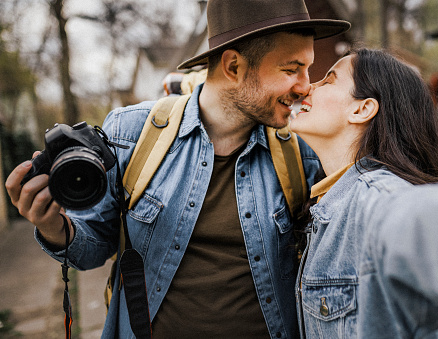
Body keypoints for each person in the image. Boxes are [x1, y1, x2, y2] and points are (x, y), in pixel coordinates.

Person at [5, 0, 351, 338]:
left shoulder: (302, 152)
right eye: (292, 69)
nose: (306, 85)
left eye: (307, 68)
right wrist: (51, 224)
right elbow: (92, 248)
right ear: (233, 67)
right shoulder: (131, 134)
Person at [289, 48, 438, 338]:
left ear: (361, 109)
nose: (307, 86)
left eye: (328, 79)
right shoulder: (327, 204)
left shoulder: (376, 199)